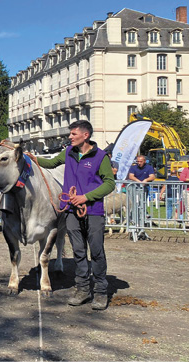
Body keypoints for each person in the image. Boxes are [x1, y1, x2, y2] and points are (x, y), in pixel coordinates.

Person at [30, 120, 115, 310]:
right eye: (70, 134)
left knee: (97, 251)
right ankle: (83, 289)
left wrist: (86, 197)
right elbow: (51, 163)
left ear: (86, 135)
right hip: (70, 211)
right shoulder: (68, 152)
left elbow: (110, 183)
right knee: (78, 251)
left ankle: (101, 292)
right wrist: (31, 158)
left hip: (92, 211)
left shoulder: (101, 157)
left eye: (73, 134)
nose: (70, 137)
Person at [127, 155, 156, 228]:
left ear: (144, 161)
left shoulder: (149, 167)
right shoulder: (133, 167)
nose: (139, 163)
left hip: (144, 189)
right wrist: (139, 182)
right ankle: (133, 220)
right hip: (134, 188)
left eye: (141, 161)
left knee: (142, 204)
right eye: (138, 161)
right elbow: (131, 176)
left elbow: (152, 176)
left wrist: (146, 180)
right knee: (133, 204)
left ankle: (142, 221)